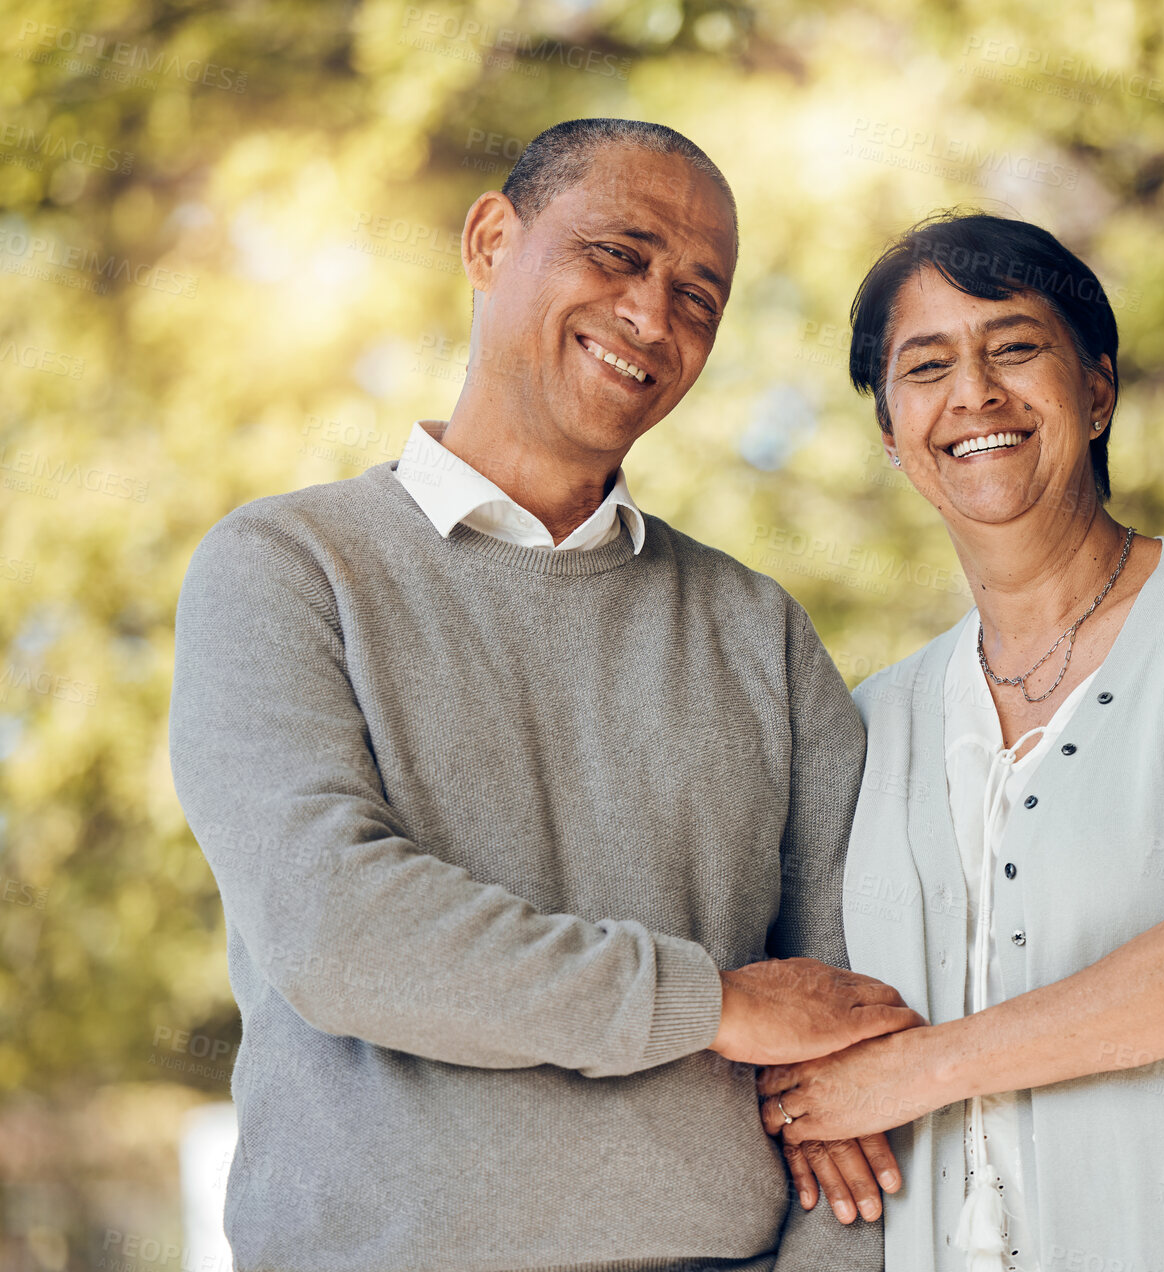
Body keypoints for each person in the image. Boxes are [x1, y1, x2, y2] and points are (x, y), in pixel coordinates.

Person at [167, 118, 918, 1272]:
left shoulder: (756, 630)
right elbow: (341, 932)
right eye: (618, 255)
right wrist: (712, 1004)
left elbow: (850, 1041)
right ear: (488, 238)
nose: (652, 316)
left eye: (699, 298)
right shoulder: (286, 570)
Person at [755, 211, 1164, 1271]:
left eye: (1015, 348)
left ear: (1099, 389)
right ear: (891, 434)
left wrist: (920, 1071)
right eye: (925, 366)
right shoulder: (876, 718)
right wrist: (798, 1092)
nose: (974, 392)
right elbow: (813, 1009)